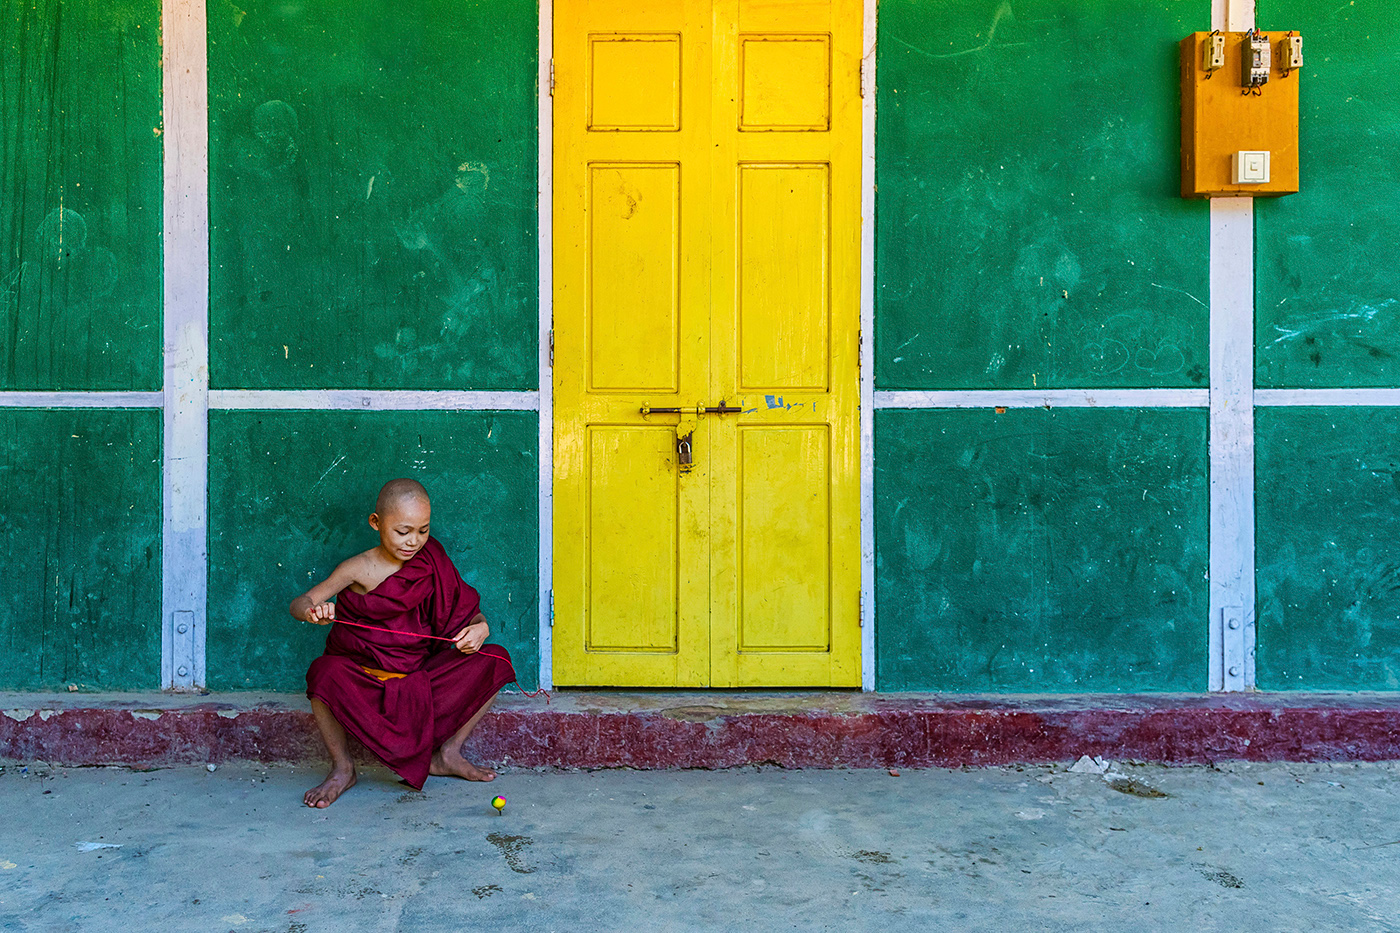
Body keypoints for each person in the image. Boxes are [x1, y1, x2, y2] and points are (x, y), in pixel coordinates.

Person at [289, 478, 515, 808]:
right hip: (366, 683)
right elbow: (300, 602)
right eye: (403, 531)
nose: (414, 542)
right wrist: (312, 611)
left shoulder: (432, 557)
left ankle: (448, 753)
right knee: (323, 672)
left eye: (423, 531)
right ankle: (343, 768)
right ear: (376, 523)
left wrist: (481, 629)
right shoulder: (357, 568)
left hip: (420, 678)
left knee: (496, 659)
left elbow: (470, 614)